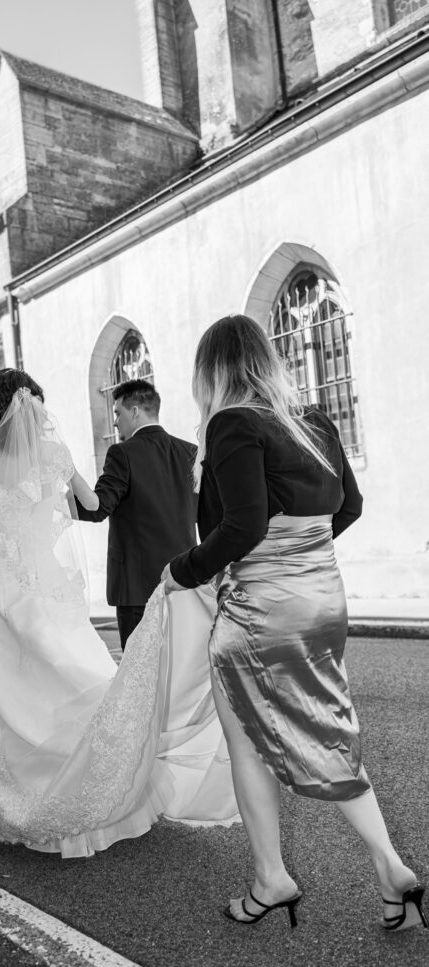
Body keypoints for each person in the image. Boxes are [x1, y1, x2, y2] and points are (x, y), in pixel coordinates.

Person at [0, 368, 238, 857]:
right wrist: (47, 501)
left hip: (0, 588)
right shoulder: (53, 454)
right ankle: (104, 781)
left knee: (8, 695)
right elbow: (88, 502)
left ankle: (28, 801)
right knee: (71, 676)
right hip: (49, 588)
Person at [161, 314, 425, 932]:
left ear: (213, 372)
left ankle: (271, 880)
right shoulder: (314, 423)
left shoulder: (232, 423)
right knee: (329, 727)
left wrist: (186, 570)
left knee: (247, 744)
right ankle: (390, 868)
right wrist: (301, 553)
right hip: (324, 598)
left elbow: (244, 525)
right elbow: (350, 506)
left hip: (263, 608)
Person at [76, 380, 196, 649]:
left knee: (136, 672)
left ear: (134, 411)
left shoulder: (122, 453)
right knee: (177, 668)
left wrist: (58, 505)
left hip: (136, 588)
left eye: (118, 413)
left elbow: (99, 507)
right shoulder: (190, 452)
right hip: (183, 580)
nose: (115, 422)